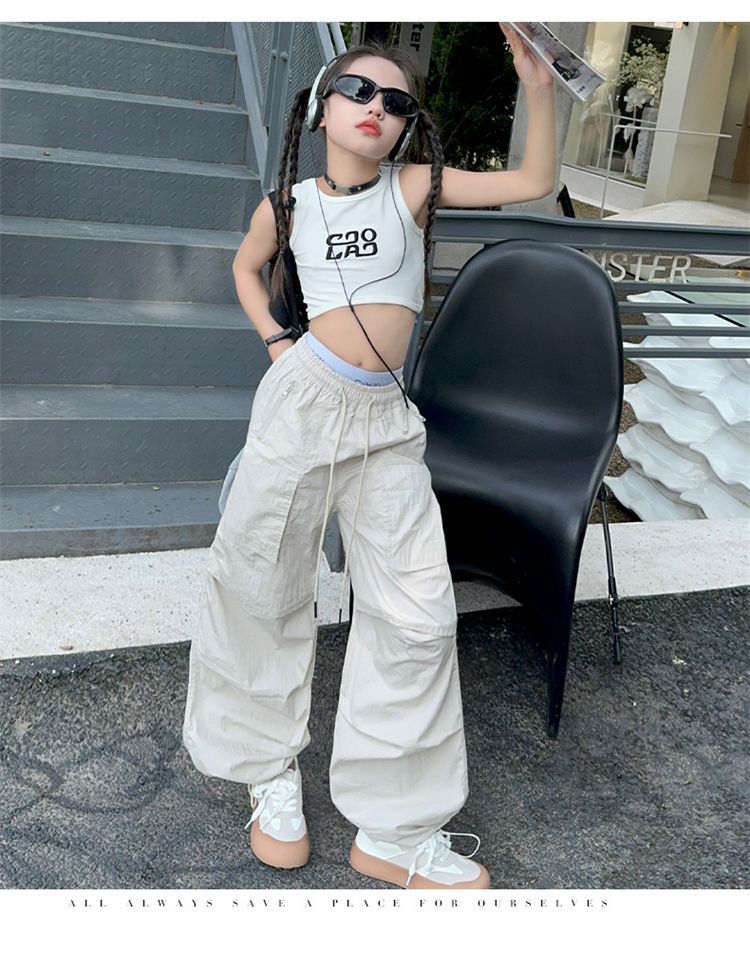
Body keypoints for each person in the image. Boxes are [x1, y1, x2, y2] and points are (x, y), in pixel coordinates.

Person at [182, 24, 556, 890]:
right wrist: (277, 339)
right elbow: (245, 268)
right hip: (303, 403)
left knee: (418, 612)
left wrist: (536, 87)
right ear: (321, 108)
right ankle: (268, 773)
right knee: (260, 584)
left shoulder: (412, 187)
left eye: (396, 102)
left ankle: (393, 828)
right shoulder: (287, 206)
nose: (376, 108)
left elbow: (534, 180)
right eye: (358, 91)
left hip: (385, 421)